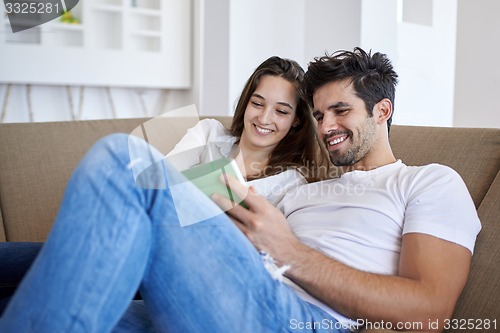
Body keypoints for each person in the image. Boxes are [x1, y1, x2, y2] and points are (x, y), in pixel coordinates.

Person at [0, 48, 480, 333]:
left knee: (120, 159)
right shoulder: (306, 190)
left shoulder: (429, 180)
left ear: (382, 111)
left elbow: (430, 312)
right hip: (224, 287)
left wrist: (287, 249)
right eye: (318, 114)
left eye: (341, 110)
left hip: (294, 318)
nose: (326, 125)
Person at [0, 55, 328, 314]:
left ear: (296, 119)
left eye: (281, 110)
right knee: (23, 268)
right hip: (135, 242)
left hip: (187, 273)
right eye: (258, 103)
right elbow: (154, 188)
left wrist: (200, 191)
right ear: (246, 102)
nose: (264, 117)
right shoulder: (209, 133)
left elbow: (258, 253)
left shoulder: (290, 183)